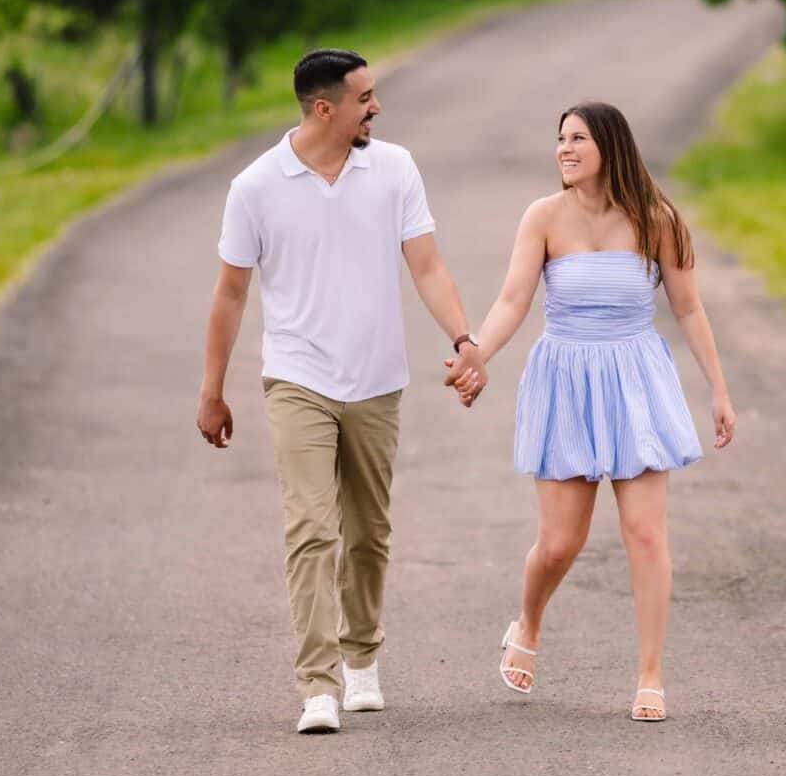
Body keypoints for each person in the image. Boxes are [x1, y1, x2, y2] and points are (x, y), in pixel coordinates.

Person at [197, 48, 486, 734]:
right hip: (298, 377)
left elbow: (428, 266)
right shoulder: (256, 186)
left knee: (368, 533)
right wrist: (212, 390)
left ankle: (361, 658)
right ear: (325, 109)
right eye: (364, 98)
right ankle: (318, 685)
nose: (376, 107)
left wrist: (464, 338)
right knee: (311, 528)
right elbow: (230, 293)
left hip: (377, 380)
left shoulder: (395, 169)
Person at [447, 101, 735, 722]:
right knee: (559, 545)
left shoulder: (656, 219)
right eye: (561, 139)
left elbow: (688, 308)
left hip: (636, 382)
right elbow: (512, 300)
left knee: (646, 535)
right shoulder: (543, 216)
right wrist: (477, 353)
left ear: (610, 145)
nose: (565, 149)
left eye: (578, 138)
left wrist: (718, 390)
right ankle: (528, 621)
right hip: (566, 382)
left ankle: (651, 676)